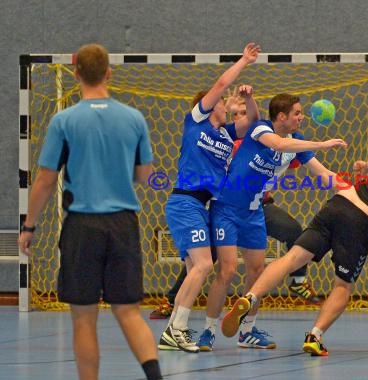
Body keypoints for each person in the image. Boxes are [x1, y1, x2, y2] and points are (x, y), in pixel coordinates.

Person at [17, 44, 162, 380]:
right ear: (109, 72)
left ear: (76, 72)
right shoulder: (133, 118)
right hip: (123, 224)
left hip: (82, 225)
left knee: (83, 317)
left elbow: (44, 179)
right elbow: (144, 175)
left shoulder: (64, 121)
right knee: (128, 311)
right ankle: (154, 376)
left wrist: (29, 227)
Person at [220, 147, 368, 356]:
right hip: (361, 221)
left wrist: (364, 165)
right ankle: (314, 336)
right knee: (343, 287)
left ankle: (250, 297)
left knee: (292, 258)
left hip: (340, 201)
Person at [198, 93, 347, 351]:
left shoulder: (298, 141)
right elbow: (278, 145)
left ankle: (247, 331)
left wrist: (353, 190)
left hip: (255, 212)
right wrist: (323, 144)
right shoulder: (260, 128)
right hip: (227, 208)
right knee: (228, 270)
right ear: (282, 116)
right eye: (297, 113)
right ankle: (208, 331)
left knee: (256, 273)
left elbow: (323, 174)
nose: (301, 118)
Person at [157, 43, 261, 353]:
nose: (224, 102)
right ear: (209, 104)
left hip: (201, 207)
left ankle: (173, 329)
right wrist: (244, 61)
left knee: (195, 271)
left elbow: (253, 121)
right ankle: (177, 329)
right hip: (186, 201)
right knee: (204, 266)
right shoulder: (197, 121)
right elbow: (219, 85)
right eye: (220, 101)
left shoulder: (226, 134)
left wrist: (248, 98)